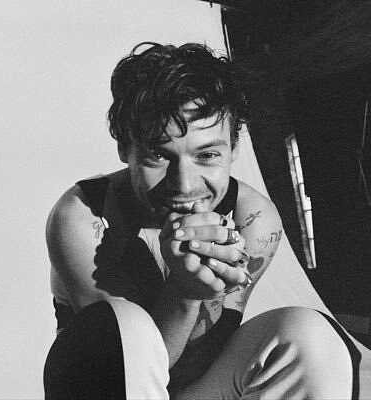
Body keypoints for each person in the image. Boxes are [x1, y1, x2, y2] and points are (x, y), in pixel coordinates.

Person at [44, 43, 358, 399]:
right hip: (99, 389)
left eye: (207, 155)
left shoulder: (252, 219)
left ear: (234, 148)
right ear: (124, 148)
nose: (184, 185)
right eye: (158, 155)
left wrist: (196, 292)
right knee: (125, 325)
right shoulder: (82, 215)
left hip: (192, 385)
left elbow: (198, 363)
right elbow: (128, 370)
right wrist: (184, 292)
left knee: (307, 335)